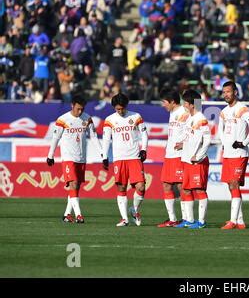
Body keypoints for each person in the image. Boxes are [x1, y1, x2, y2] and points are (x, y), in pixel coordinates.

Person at [47, 96, 103, 223]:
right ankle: (79, 215)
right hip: (68, 157)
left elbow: (94, 137)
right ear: (72, 105)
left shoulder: (87, 118)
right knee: (73, 184)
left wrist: (102, 153)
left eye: (82, 109)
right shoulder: (62, 120)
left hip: (81, 157)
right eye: (78, 109)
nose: (80, 112)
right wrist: (50, 155)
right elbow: (55, 138)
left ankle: (67, 214)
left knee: (76, 186)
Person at [102, 93, 148, 227]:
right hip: (119, 158)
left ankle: (134, 210)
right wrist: (104, 156)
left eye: (122, 109)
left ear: (126, 106)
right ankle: (124, 219)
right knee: (121, 187)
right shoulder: (109, 120)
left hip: (134, 156)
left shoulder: (136, 116)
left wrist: (144, 149)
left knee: (141, 187)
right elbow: (106, 139)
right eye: (117, 109)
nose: (120, 111)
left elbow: (144, 134)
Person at [218, 81, 249, 230]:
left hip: (239, 153)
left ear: (235, 92)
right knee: (231, 185)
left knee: (234, 183)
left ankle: (233, 221)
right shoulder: (223, 112)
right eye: (224, 92)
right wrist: (223, 142)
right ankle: (240, 221)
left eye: (228, 91)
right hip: (228, 153)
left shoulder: (242, 109)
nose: (225, 94)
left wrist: (245, 142)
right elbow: (220, 130)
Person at [175, 89, 211, 229]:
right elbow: (190, 137)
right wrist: (182, 144)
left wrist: (199, 155)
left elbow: (207, 140)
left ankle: (201, 222)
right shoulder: (189, 118)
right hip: (186, 159)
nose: (183, 105)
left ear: (191, 104)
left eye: (185, 102)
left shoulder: (201, 119)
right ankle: (189, 220)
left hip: (197, 160)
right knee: (186, 189)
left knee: (200, 190)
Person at [157, 89, 190, 227]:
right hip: (169, 154)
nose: (163, 105)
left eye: (164, 102)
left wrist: (185, 143)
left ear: (172, 102)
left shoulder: (185, 112)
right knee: (166, 185)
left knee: (181, 186)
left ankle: (186, 218)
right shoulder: (172, 113)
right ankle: (172, 219)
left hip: (179, 155)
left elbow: (194, 129)